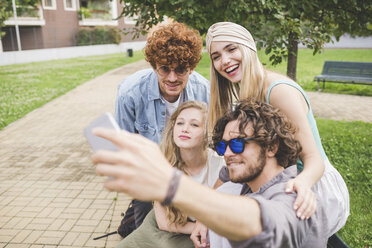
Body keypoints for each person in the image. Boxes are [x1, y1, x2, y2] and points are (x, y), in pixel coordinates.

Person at [92, 99, 330, 247]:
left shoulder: (295, 199)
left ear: (271, 147)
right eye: (223, 146)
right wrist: (203, 221)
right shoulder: (246, 179)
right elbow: (224, 179)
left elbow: (259, 223)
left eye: (237, 144)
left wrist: (169, 184)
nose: (227, 153)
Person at [206, 22, 349, 235]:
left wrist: (302, 184)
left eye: (231, 49)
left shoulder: (278, 90)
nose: (225, 61)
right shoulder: (245, 92)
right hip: (270, 180)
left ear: (248, 48)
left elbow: (314, 159)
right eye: (216, 56)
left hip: (307, 183)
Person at [114, 21, 210, 229]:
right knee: (148, 230)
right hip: (147, 175)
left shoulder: (204, 92)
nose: (172, 78)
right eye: (164, 69)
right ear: (153, 65)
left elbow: (211, 142)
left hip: (190, 173)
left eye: (181, 70)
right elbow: (124, 145)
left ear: (192, 67)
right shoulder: (130, 93)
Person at [115, 101, 225, 248]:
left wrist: (205, 226)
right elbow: (164, 223)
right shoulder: (164, 163)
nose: (185, 129)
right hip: (164, 226)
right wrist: (198, 227)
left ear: (206, 133)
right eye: (180, 123)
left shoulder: (220, 165)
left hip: (203, 232)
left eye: (194, 125)